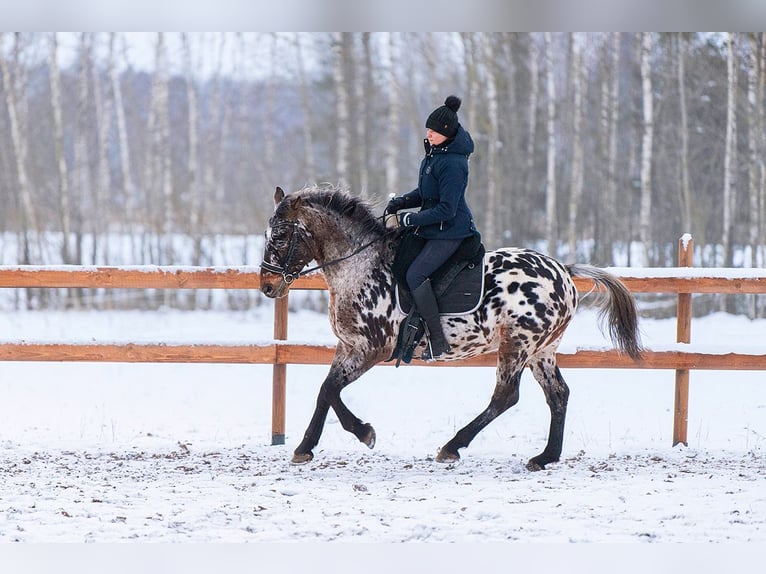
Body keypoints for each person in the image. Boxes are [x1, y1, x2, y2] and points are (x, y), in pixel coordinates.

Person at [385, 95, 478, 360]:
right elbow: (427, 193)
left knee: (416, 275)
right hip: (434, 227)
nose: (429, 133)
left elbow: (446, 209)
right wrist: (402, 202)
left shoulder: (453, 163)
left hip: (452, 231)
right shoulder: (435, 155)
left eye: (434, 131)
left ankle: (437, 340)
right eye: (428, 129)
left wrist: (409, 220)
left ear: (446, 133)